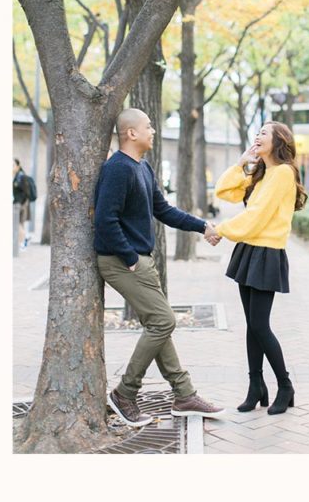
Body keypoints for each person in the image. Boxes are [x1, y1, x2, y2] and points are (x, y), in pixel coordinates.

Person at [93, 107, 224, 426]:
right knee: (164, 321)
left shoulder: (143, 167)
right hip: (121, 261)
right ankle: (126, 392)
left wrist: (202, 226)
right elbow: (104, 219)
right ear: (130, 133)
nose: (153, 130)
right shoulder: (118, 169)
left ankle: (184, 394)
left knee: (159, 324)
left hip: (139, 261)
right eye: (148, 126)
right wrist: (130, 257)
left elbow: (163, 210)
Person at [208, 121, 308, 415]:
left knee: (261, 325)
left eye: (264, 132)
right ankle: (256, 386)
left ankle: (285, 385)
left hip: (267, 252)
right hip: (249, 250)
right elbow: (224, 192)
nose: (257, 136)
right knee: (252, 325)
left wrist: (220, 230)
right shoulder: (264, 174)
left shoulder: (283, 174)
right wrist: (242, 163)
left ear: (279, 141)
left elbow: (256, 217)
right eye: (257, 132)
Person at [13, 159, 31, 249]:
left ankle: (25, 238)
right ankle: (23, 243)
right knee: (20, 223)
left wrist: (21, 203)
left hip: (20, 204)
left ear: (18, 166)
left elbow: (25, 192)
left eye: (13, 165)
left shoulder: (21, 176)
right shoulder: (17, 176)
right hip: (19, 204)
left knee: (17, 223)